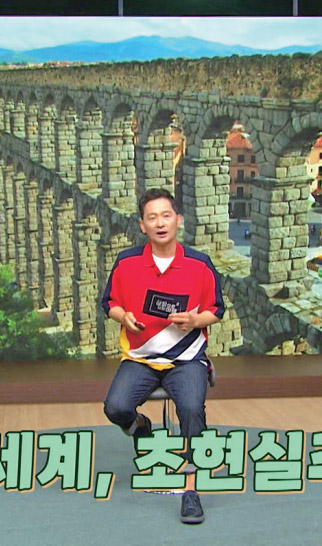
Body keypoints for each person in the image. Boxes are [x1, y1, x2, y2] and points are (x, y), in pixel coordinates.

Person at [101, 188, 224, 525]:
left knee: (191, 411)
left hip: (187, 360)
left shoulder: (200, 264)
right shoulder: (126, 262)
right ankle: (141, 428)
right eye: (152, 217)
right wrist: (123, 316)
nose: (160, 223)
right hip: (140, 359)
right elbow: (109, 303)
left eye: (166, 215)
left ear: (178, 220)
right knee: (115, 407)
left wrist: (195, 321)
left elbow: (217, 310)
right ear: (142, 225)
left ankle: (191, 490)